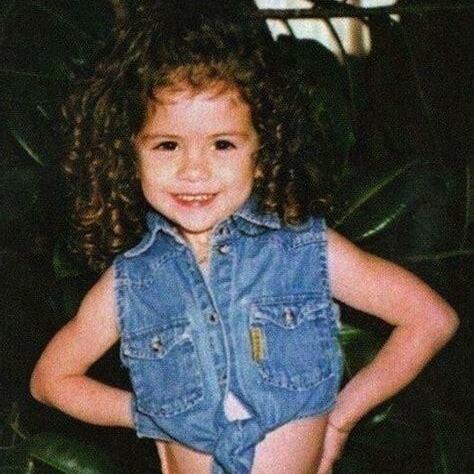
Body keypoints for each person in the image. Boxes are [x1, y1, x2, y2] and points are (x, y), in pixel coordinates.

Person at [30, 2, 459, 473]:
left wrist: (341, 419)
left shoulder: (305, 250)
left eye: (223, 144)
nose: (194, 170)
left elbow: (430, 319)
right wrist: (144, 414)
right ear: (128, 155)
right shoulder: (130, 283)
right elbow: (51, 381)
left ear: (261, 151)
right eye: (167, 145)